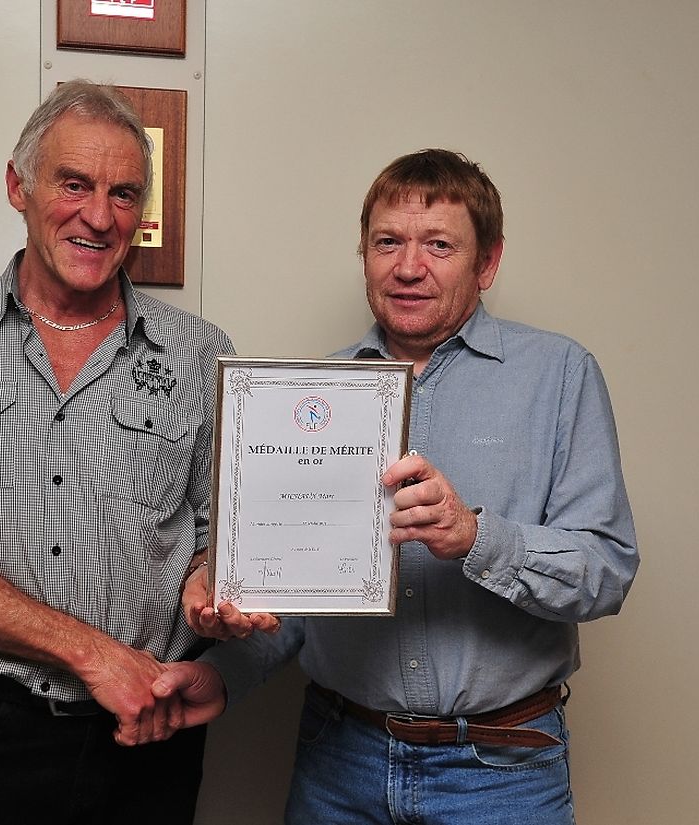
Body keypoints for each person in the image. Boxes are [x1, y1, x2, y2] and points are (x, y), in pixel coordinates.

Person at [157, 148, 640, 824]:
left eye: (439, 244)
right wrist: (222, 673)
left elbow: (606, 570)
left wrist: (475, 536)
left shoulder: (559, 375)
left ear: (487, 263)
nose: (409, 267)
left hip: (500, 773)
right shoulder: (312, 393)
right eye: (388, 242)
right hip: (338, 761)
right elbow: (304, 599)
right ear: (365, 255)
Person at [0, 80, 268, 824]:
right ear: (18, 185)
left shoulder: (202, 353)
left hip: (151, 737)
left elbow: (220, 542)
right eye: (74, 183)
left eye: (124, 194)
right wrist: (94, 655)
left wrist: (214, 589)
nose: (99, 216)